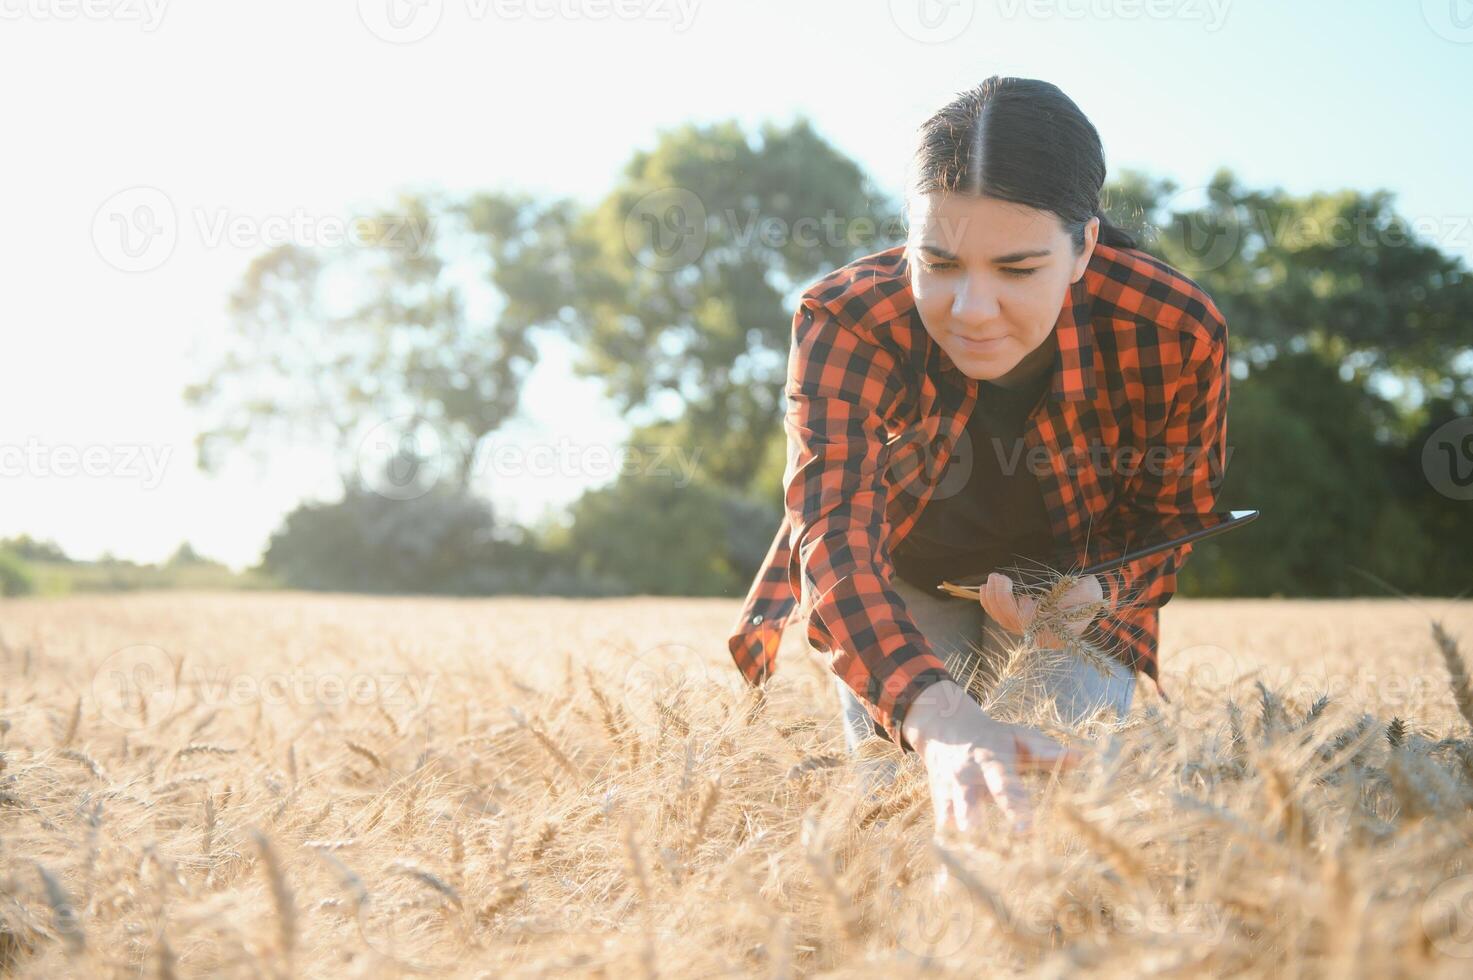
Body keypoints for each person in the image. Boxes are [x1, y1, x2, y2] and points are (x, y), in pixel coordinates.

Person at [725, 76, 1231, 836]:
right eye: (940, 262)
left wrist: (1102, 591)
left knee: (1056, 803)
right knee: (907, 797)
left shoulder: (1173, 327)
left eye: (1018, 270)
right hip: (905, 571)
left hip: (1071, 586)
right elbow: (831, 537)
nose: (970, 311)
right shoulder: (845, 319)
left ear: (1084, 245)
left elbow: (1172, 517)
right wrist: (937, 718)